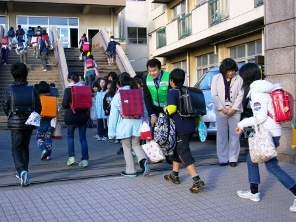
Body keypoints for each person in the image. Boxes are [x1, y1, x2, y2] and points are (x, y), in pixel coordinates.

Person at [235, 64, 296, 213]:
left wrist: (242, 124)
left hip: (267, 133)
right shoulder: (267, 88)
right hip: (273, 131)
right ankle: (254, 192)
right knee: (252, 159)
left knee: (272, 167)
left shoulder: (257, 92)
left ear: (246, 78)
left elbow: (260, 117)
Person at [163, 68, 206, 193]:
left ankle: (197, 180)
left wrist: (164, 109)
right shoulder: (188, 90)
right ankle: (174, 175)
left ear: (172, 81)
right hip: (190, 126)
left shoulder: (173, 92)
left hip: (179, 127)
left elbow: (171, 109)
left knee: (183, 153)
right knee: (178, 149)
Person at [2, 62, 42, 187]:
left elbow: (5, 105)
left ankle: (21, 171)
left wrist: (11, 114)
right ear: (26, 74)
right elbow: (38, 107)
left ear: (13, 74)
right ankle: (25, 171)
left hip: (15, 122)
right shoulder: (32, 89)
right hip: (29, 122)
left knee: (16, 148)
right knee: (25, 146)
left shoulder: (9, 90)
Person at [108, 72, 150, 177]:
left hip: (125, 125)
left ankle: (130, 171)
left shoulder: (118, 96)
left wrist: (111, 133)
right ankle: (143, 160)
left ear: (119, 83)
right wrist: (146, 124)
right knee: (136, 144)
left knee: (126, 147)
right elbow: (145, 110)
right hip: (138, 124)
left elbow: (113, 116)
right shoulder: (138, 93)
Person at [211, 58, 244, 167]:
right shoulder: (216, 78)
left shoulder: (239, 79)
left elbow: (241, 94)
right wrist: (222, 108)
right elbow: (214, 95)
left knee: (234, 135)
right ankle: (223, 158)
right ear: (224, 70)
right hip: (221, 111)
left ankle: (233, 158)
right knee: (222, 135)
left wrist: (234, 108)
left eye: (233, 70)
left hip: (235, 110)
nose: (231, 73)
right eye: (228, 71)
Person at [62, 72, 90, 167]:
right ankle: (85, 159)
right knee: (83, 139)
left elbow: (65, 105)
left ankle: (72, 157)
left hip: (72, 116)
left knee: (70, 137)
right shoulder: (84, 88)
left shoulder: (68, 90)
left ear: (69, 79)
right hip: (83, 116)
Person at [37, 81, 56, 161]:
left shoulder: (38, 97)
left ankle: (43, 149)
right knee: (48, 138)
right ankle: (48, 155)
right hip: (50, 121)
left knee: (39, 137)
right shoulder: (53, 97)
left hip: (41, 121)